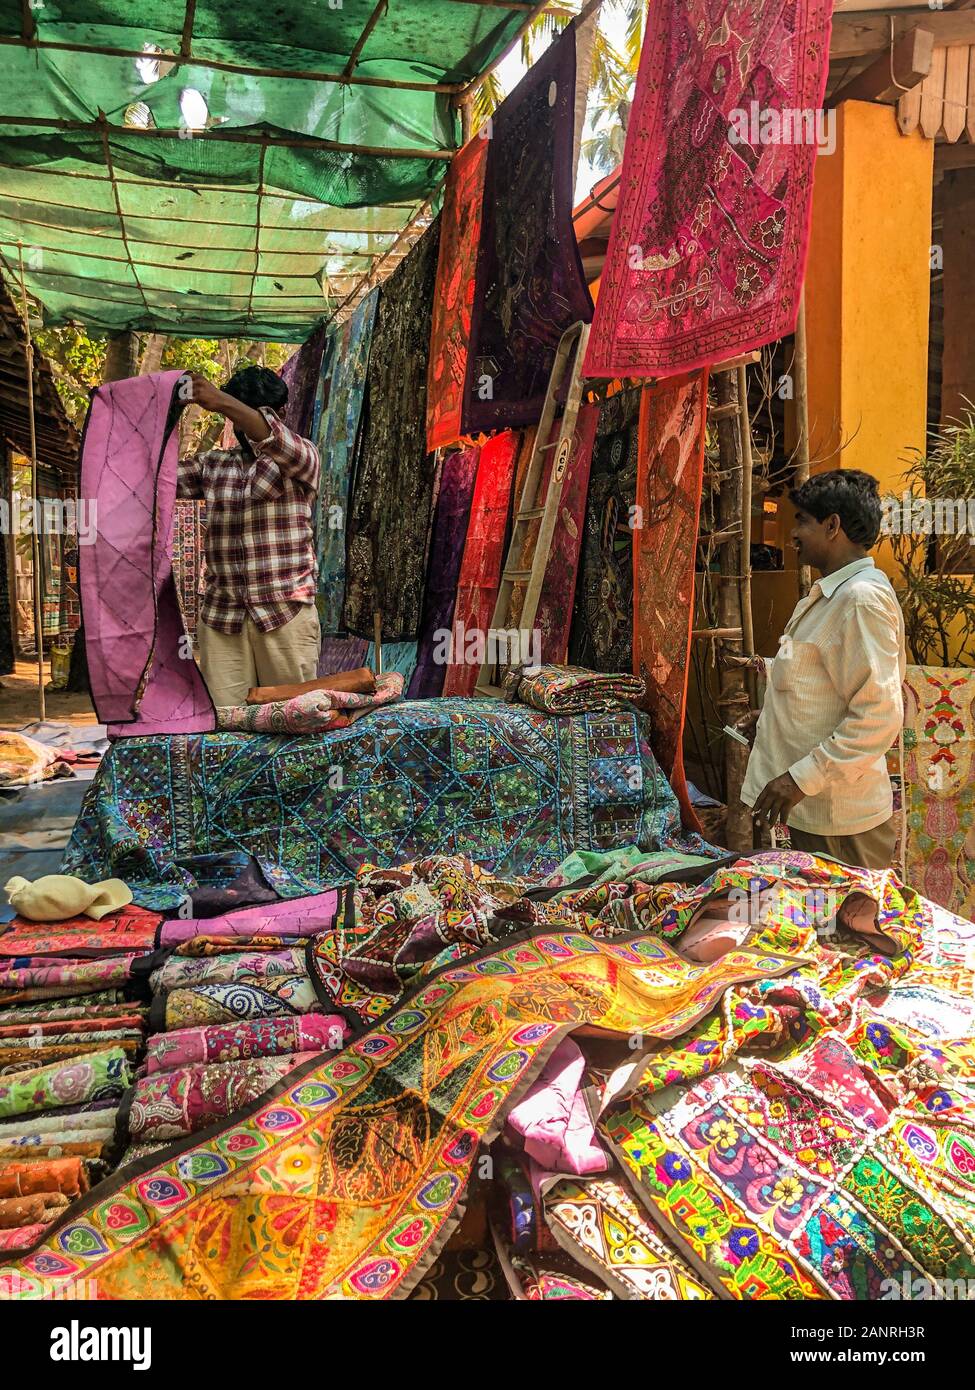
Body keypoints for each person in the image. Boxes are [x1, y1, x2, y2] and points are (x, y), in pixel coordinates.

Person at [736, 469, 906, 871]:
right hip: (820, 813)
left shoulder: (859, 601)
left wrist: (799, 779)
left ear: (833, 526)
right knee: (823, 926)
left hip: (842, 822)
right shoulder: (832, 596)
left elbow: (878, 716)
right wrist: (774, 719)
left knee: (851, 928)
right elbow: (823, 687)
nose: (792, 534)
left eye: (802, 521)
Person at [177, 366, 321, 708]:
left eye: (246, 413)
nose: (241, 426)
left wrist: (221, 400)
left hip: (285, 613)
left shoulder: (301, 455)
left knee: (295, 720)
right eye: (234, 416)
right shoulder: (212, 465)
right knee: (225, 725)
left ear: (281, 412)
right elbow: (155, 477)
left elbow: (270, 437)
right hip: (222, 618)